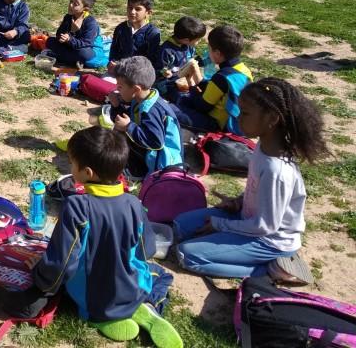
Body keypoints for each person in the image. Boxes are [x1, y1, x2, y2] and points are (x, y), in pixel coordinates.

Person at [32, 127, 183, 347]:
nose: (70, 168)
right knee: (160, 274)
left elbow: (62, 261)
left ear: (88, 173)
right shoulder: (134, 204)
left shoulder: (77, 206)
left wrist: (40, 277)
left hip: (94, 298)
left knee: (83, 285)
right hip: (130, 288)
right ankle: (146, 307)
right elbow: (146, 250)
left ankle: (104, 319)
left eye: (72, 163)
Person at [174, 78, 327, 284]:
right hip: (248, 220)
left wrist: (221, 224)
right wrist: (238, 202)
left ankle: (270, 269)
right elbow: (258, 192)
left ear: (272, 118)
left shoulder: (277, 171)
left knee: (187, 254)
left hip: (270, 241)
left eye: (245, 113)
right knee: (180, 226)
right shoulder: (262, 148)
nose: (238, 118)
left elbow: (265, 226)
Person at [110, 56, 183, 177]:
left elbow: (155, 142)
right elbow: (123, 120)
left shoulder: (152, 110)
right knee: (118, 133)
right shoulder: (140, 98)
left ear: (136, 89)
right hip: (147, 150)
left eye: (120, 86)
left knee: (120, 135)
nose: (117, 88)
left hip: (160, 164)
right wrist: (116, 106)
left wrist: (128, 126)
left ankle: (136, 172)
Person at [173, 24, 252, 134]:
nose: (208, 52)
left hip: (218, 126)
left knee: (172, 109)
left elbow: (202, 106)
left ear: (217, 53)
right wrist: (198, 79)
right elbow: (216, 89)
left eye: (209, 49)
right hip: (238, 123)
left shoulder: (221, 77)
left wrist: (191, 84)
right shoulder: (244, 71)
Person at [43, 0, 103, 67]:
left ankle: (60, 57)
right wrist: (65, 36)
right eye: (71, 1)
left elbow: (86, 44)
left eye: (75, 4)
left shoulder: (90, 23)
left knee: (84, 53)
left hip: (82, 48)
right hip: (68, 46)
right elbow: (59, 34)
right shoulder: (68, 17)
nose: (70, 5)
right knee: (49, 41)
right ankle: (73, 61)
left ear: (85, 9)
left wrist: (72, 36)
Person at [154, 16, 207, 102]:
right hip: (168, 83)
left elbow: (189, 62)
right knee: (182, 98)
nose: (200, 41)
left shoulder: (189, 46)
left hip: (183, 79)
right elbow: (159, 70)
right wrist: (165, 71)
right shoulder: (167, 51)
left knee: (197, 91)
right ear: (186, 40)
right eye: (198, 40)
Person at [108, 0, 161, 74]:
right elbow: (114, 50)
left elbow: (151, 60)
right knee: (105, 80)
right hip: (120, 70)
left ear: (148, 13)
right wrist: (113, 63)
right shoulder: (121, 28)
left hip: (140, 73)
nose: (132, 12)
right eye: (130, 7)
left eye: (137, 9)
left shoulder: (152, 33)